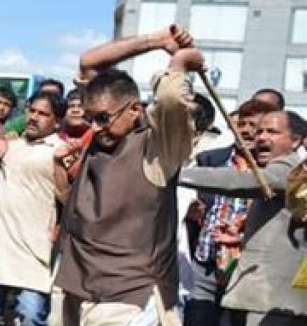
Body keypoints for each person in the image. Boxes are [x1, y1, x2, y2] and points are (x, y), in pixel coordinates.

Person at [54, 25, 201, 325]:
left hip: (129, 298)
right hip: (75, 284)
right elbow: (89, 62)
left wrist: (179, 63)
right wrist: (157, 40)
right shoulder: (102, 131)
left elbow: (172, 98)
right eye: (90, 117)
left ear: (135, 110)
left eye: (103, 119)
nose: (94, 127)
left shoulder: (158, 148)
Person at [180, 110, 307, 325]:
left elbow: (237, 181)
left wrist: (179, 175)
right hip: (251, 296)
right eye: (260, 132)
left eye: (273, 132)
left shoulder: (289, 171)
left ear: (296, 141)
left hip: (270, 301)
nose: (262, 137)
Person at [0, 92, 67, 326]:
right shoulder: (9, 146)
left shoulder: (61, 151)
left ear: (56, 121)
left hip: (34, 247)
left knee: (31, 315)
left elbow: (70, 199)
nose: (34, 118)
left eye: (43, 114)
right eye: (31, 111)